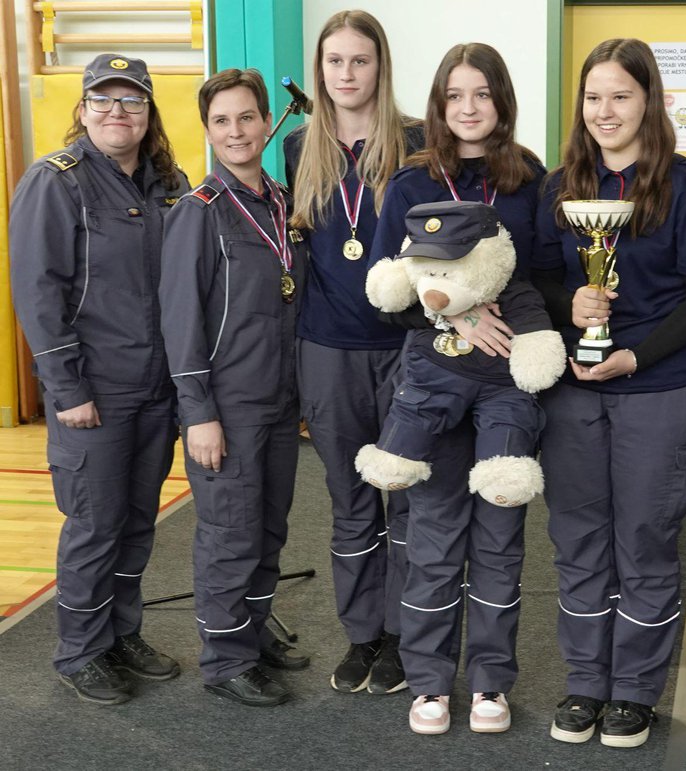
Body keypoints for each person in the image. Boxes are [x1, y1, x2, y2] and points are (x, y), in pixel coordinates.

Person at [530, 38, 686, 748]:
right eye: (593, 97)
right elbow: (536, 279)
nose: (606, 110)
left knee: (644, 542)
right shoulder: (558, 187)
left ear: (651, 101)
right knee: (579, 540)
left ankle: (635, 691)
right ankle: (586, 680)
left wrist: (635, 354)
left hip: (658, 387)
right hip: (574, 390)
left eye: (621, 95)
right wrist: (571, 307)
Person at [369, 43, 547, 735]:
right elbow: (385, 291)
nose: (469, 108)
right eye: (455, 96)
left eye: (483, 94)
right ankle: (429, 681)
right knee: (437, 536)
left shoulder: (531, 179)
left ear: (502, 100)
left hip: (509, 385)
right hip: (435, 377)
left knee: (501, 537)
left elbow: (548, 275)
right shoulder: (411, 183)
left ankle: (492, 682)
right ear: (440, 104)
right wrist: (456, 312)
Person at [9, 54, 189, 705]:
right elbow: (37, 292)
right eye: (104, 100)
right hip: (93, 392)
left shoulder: (169, 184)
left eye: (132, 101)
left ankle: (120, 634)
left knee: (138, 521)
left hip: (154, 390)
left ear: (148, 114)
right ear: (83, 110)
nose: (118, 111)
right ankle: (80, 649)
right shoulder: (55, 183)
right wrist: (67, 389)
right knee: (94, 523)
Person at [283, 9, 423, 696]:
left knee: (407, 500)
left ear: (380, 66)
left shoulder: (419, 145)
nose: (345, 73)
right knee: (349, 500)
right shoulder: (296, 152)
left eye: (359, 61)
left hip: (404, 350)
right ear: (321, 70)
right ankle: (362, 633)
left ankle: (402, 635)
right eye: (334, 61)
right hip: (328, 350)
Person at [159, 69, 309, 707]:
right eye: (221, 121)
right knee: (229, 532)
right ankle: (225, 660)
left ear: (264, 121)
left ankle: (250, 629)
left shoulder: (284, 203)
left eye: (247, 117)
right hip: (227, 404)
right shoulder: (198, 214)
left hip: (280, 401)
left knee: (269, 527)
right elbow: (180, 320)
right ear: (208, 131)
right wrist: (198, 413)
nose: (236, 131)